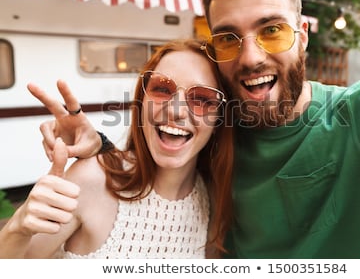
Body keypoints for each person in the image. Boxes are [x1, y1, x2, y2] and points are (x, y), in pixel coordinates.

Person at [28, 0, 360, 258]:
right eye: (229, 38)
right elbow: (158, 172)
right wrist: (102, 145)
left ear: (302, 35)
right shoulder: (218, 131)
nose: (250, 58)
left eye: (271, 30)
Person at [0, 39, 234, 258]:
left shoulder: (213, 197)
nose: (176, 110)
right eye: (162, 89)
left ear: (218, 120)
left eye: (203, 99)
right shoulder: (91, 180)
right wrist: (17, 228)